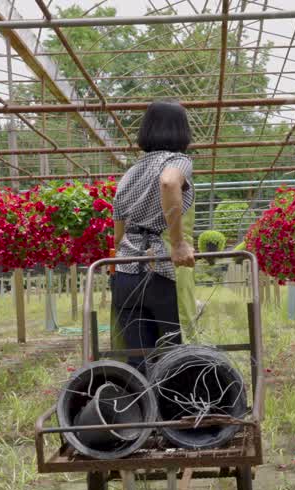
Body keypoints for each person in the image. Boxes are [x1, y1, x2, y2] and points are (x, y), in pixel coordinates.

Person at [111, 100, 197, 366]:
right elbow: (168, 182)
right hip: (162, 272)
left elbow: (118, 231)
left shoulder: (130, 173)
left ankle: (140, 406)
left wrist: (119, 259)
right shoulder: (178, 161)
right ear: (182, 131)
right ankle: (174, 405)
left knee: (137, 358)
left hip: (126, 274)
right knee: (173, 358)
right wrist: (179, 243)